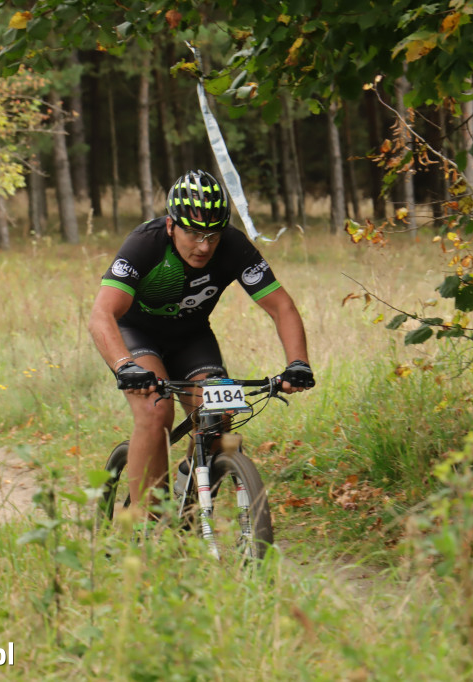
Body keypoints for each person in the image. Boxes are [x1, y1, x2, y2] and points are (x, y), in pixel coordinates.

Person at [88, 169, 315, 520]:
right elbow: (102, 314)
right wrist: (124, 365)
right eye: (193, 233)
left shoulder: (234, 245)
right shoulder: (145, 243)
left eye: (212, 234)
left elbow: (281, 306)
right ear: (170, 226)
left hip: (191, 338)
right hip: (136, 335)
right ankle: (149, 528)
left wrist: (298, 362)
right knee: (155, 410)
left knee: (218, 417)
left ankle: (187, 495)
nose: (204, 245)